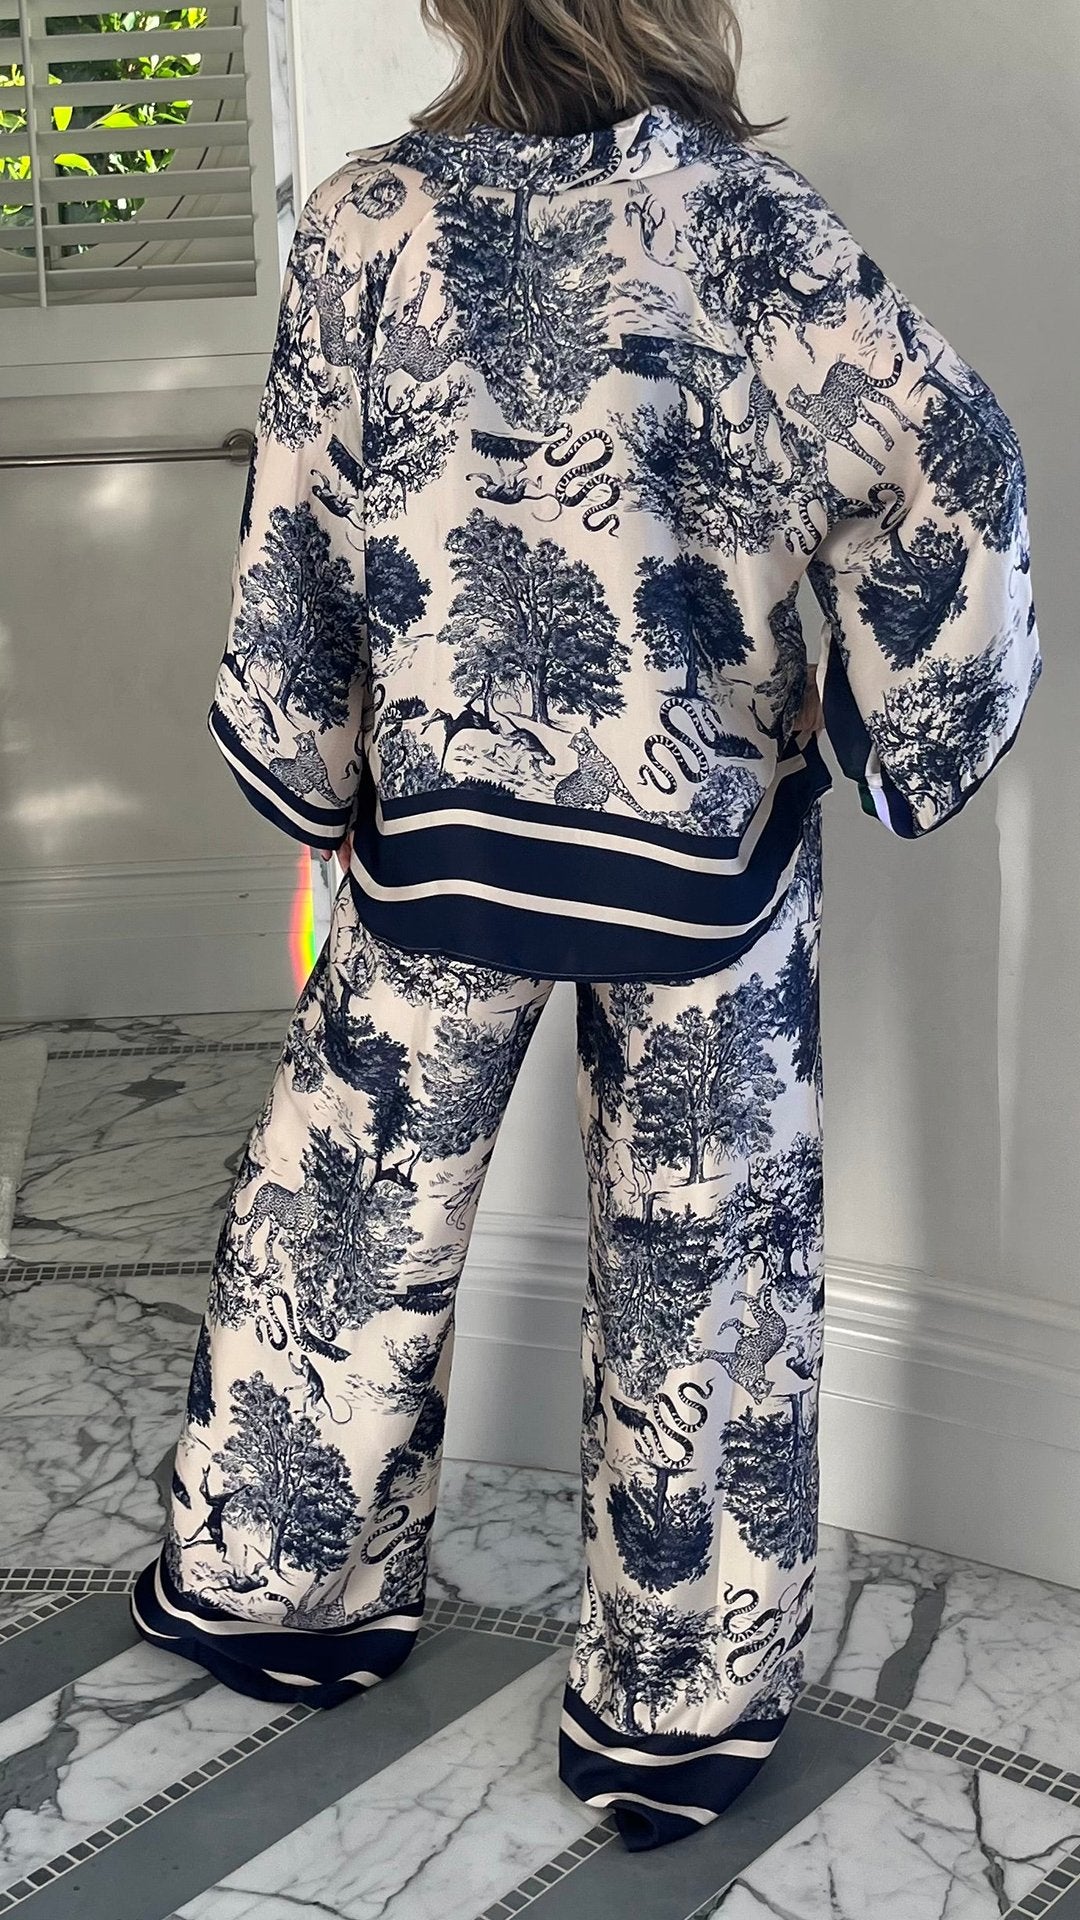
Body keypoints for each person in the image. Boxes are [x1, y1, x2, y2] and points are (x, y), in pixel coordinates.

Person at [130, 0, 1043, 1854]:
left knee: (350, 1211)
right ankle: (672, 1712)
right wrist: (857, 723)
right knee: (709, 1271)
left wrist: (321, 763)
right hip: (703, 850)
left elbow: (298, 525)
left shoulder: (364, 219)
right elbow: (956, 472)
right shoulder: (754, 227)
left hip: (434, 834)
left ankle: (276, 1582)